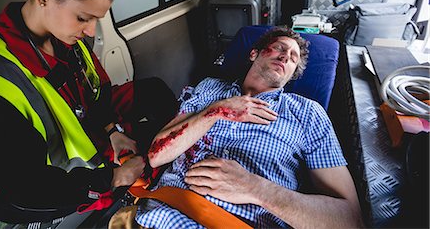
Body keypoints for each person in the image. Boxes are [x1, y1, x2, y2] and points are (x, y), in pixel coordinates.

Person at [0, 0, 177, 226]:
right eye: (83, 18)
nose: (90, 31)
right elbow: (22, 192)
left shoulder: (67, 39)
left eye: (96, 20)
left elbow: (95, 95)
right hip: (19, 203)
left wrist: (113, 131)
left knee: (154, 91)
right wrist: (114, 177)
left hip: (84, 153)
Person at [135, 27, 364, 228]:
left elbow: (349, 220)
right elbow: (157, 156)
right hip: (161, 214)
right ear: (254, 54)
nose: (285, 56)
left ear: (293, 74)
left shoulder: (308, 113)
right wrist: (216, 111)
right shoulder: (209, 89)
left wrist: (255, 188)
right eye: (279, 48)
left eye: (293, 58)